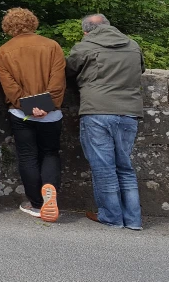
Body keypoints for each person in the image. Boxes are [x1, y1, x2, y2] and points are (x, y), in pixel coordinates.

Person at [66, 14, 145, 230]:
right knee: (125, 166)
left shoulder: (85, 45)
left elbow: (69, 71)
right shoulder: (133, 44)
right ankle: (133, 219)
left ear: (85, 31)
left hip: (97, 109)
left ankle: (111, 216)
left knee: (104, 167)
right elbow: (141, 70)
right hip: (129, 110)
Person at [0, 7, 65, 223]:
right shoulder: (52, 46)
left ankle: (36, 204)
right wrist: (46, 104)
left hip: (21, 113)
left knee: (27, 156)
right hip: (51, 113)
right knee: (50, 153)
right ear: (33, 23)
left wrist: (28, 105)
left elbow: (9, 86)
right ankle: (50, 193)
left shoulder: (4, 51)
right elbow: (57, 79)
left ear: (8, 27)